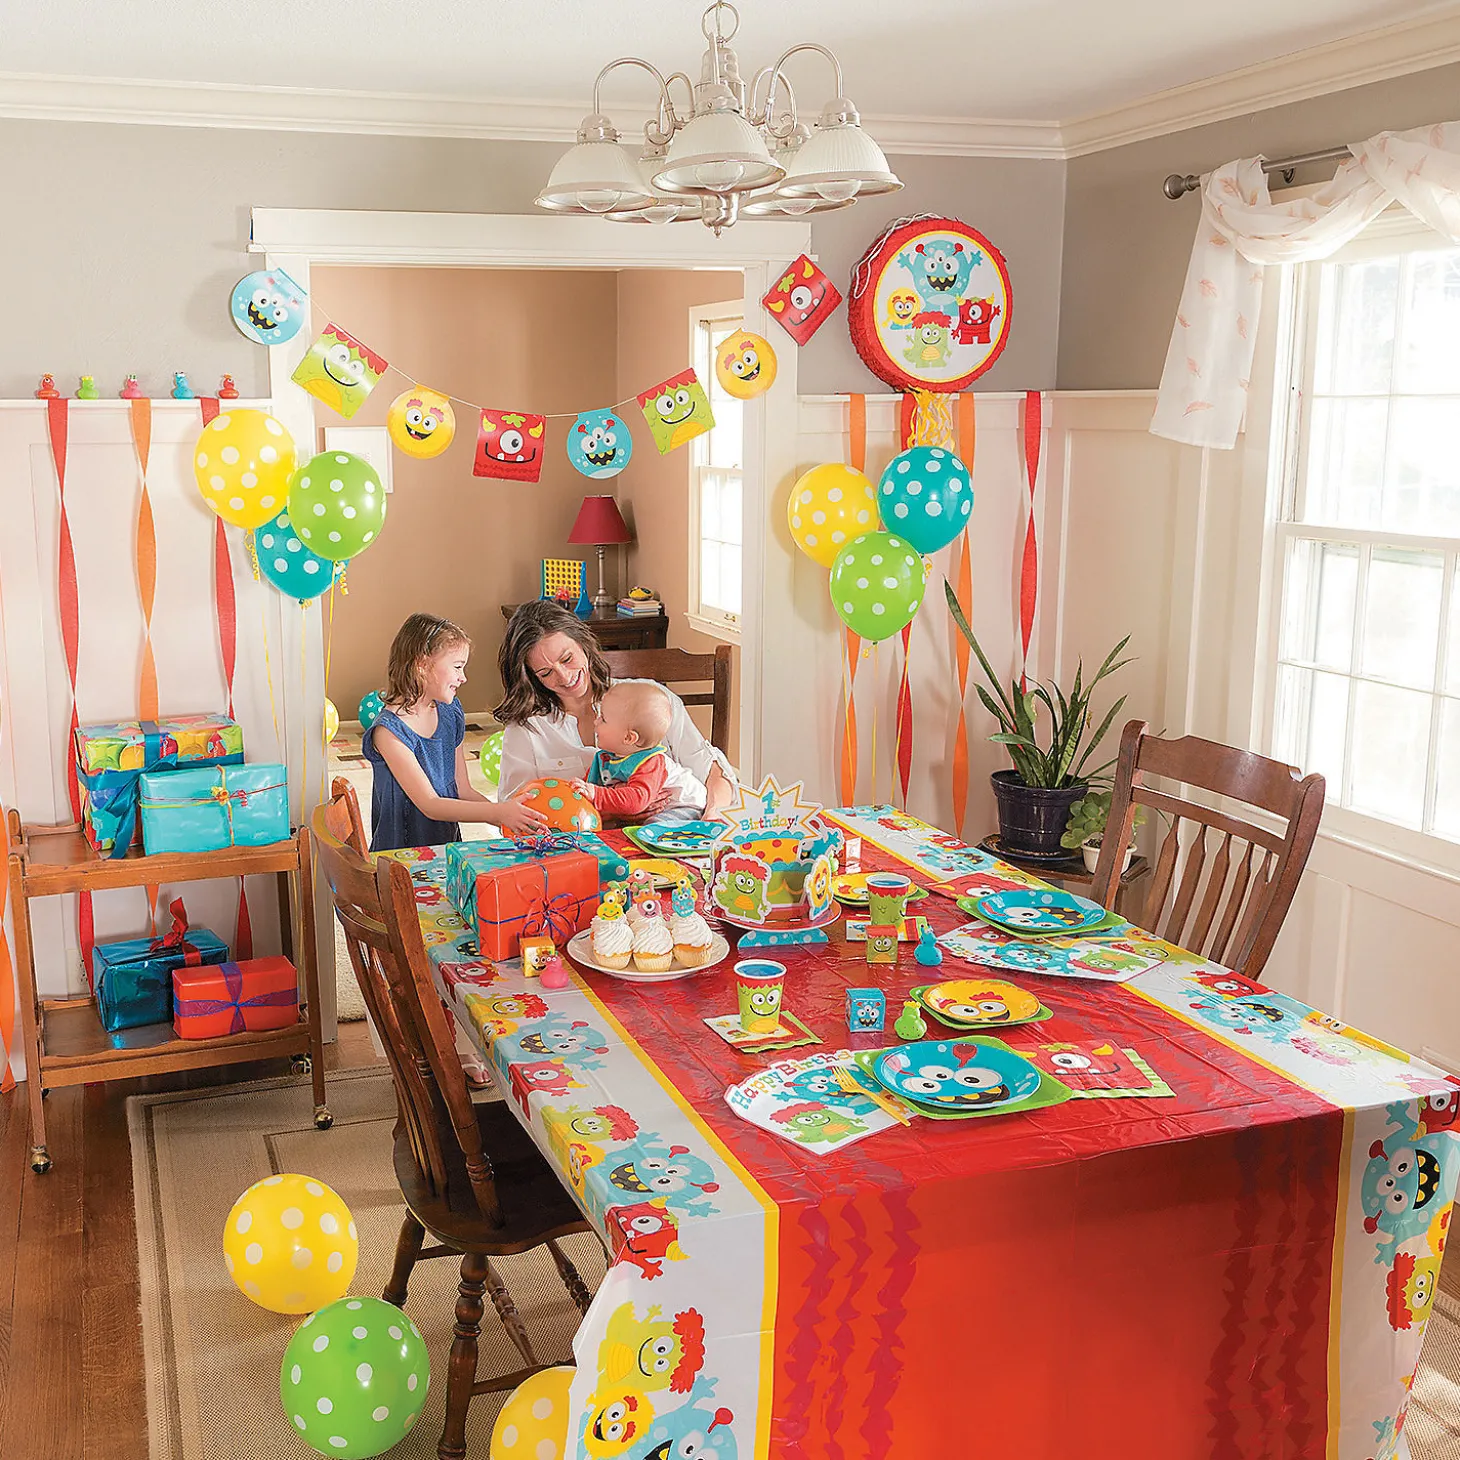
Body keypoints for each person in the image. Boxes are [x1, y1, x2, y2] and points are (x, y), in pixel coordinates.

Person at [496, 599, 734, 816]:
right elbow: (515, 811)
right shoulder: (527, 729)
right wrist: (617, 810)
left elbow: (714, 773)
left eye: (567, 659)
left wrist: (712, 816)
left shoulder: (650, 700)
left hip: (668, 835)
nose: (565, 677)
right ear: (532, 677)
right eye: (546, 673)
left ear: (582, 644)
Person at [364, 613, 548, 852]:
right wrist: (498, 812)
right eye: (458, 667)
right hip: (401, 856)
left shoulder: (450, 712)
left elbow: (463, 790)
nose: (463, 678)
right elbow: (430, 804)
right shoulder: (388, 732)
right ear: (422, 665)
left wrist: (510, 819)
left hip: (445, 848)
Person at [575, 680, 702, 825]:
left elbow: (636, 801)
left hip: (685, 806)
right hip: (652, 812)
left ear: (628, 738)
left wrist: (596, 794)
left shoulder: (650, 762)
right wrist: (580, 789)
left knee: (652, 828)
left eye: (603, 719)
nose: (595, 722)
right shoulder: (606, 757)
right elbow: (588, 787)